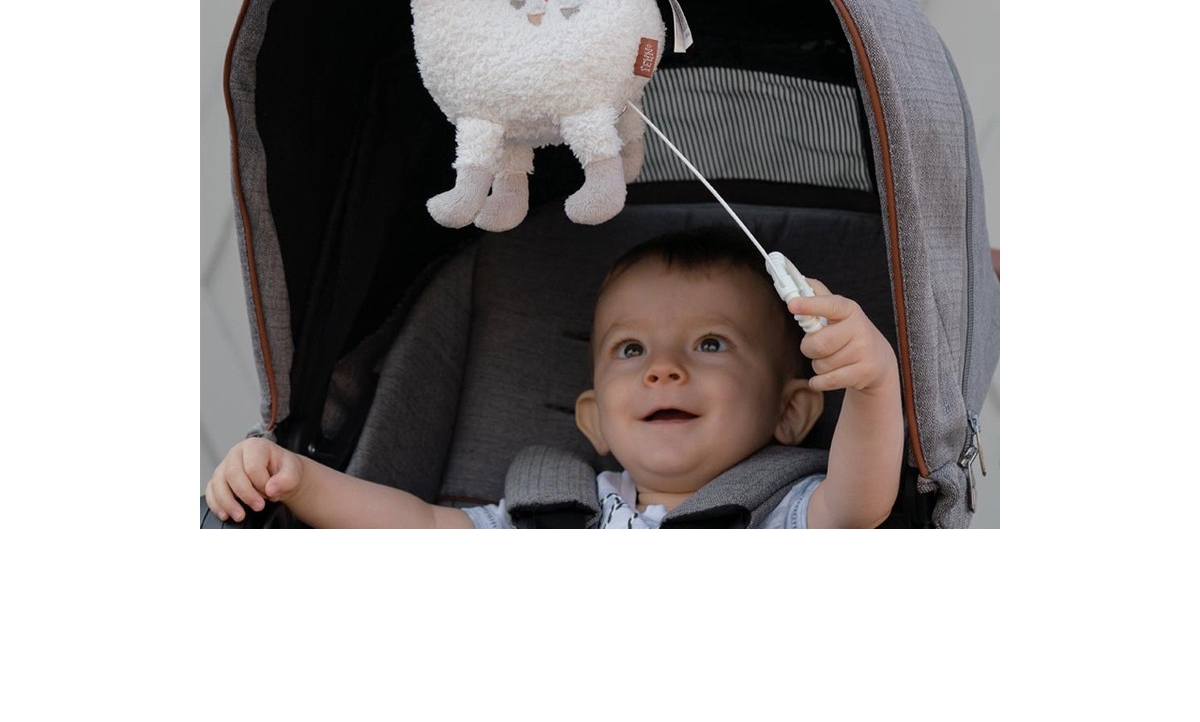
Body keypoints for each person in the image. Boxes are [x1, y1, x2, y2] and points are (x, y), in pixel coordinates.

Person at [205, 228, 904, 529]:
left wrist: (873, 385)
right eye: (632, 349)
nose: (664, 369)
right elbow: (420, 526)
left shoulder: (784, 514)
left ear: (791, 412)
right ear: (593, 419)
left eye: (710, 344)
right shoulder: (553, 512)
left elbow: (860, 504)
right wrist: (300, 479)